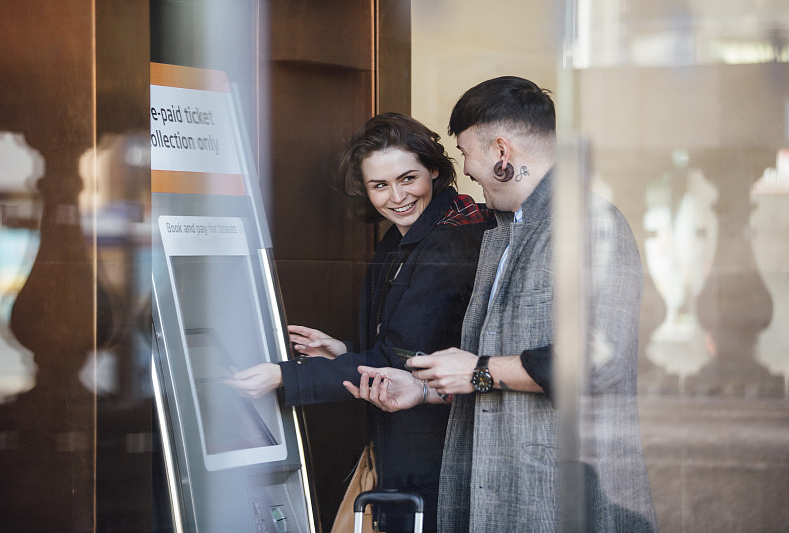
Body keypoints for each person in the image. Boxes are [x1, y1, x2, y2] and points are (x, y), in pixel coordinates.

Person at [345, 77, 658, 532]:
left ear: (502, 152)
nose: (467, 169)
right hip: (497, 498)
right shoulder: (503, 233)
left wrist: (477, 370)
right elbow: (488, 371)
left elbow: (597, 359)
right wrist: (428, 390)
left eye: (467, 152)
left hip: (559, 502)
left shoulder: (590, 225)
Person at [224, 112, 493, 532]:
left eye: (408, 179)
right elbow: (411, 343)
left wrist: (283, 375)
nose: (396, 197)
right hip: (418, 443)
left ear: (434, 170)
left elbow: (402, 361)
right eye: (379, 185)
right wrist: (346, 351)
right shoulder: (413, 233)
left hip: (439, 449)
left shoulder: (451, 241)